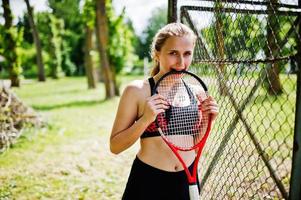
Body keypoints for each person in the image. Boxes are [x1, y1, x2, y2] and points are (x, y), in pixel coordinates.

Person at [110, 22, 219, 200]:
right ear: (157, 54)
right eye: (173, 53)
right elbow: (115, 146)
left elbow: (194, 148)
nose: (181, 62)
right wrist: (145, 119)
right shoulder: (137, 91)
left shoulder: (196, 92)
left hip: (187, 179)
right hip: (149, 182)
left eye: (187, 54)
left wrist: (209, 120)